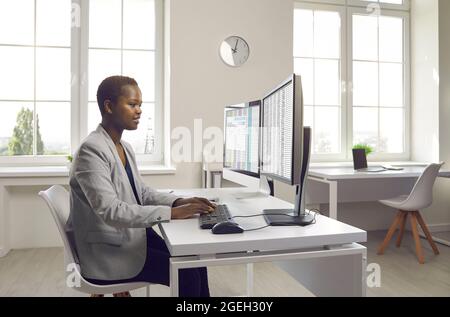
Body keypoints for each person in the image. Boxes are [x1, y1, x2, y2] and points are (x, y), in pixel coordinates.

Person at [68, 75, 213, 297]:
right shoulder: (92, 150)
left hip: (129, 237)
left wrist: (181, 202)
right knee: (187, 273)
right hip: (109, 252)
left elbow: (141, 193)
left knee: (194, 258)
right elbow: (110, 210)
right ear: (109, 106)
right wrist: (173, 213)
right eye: (132, 104)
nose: (139, 111)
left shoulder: (123, 146)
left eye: (140, 105)